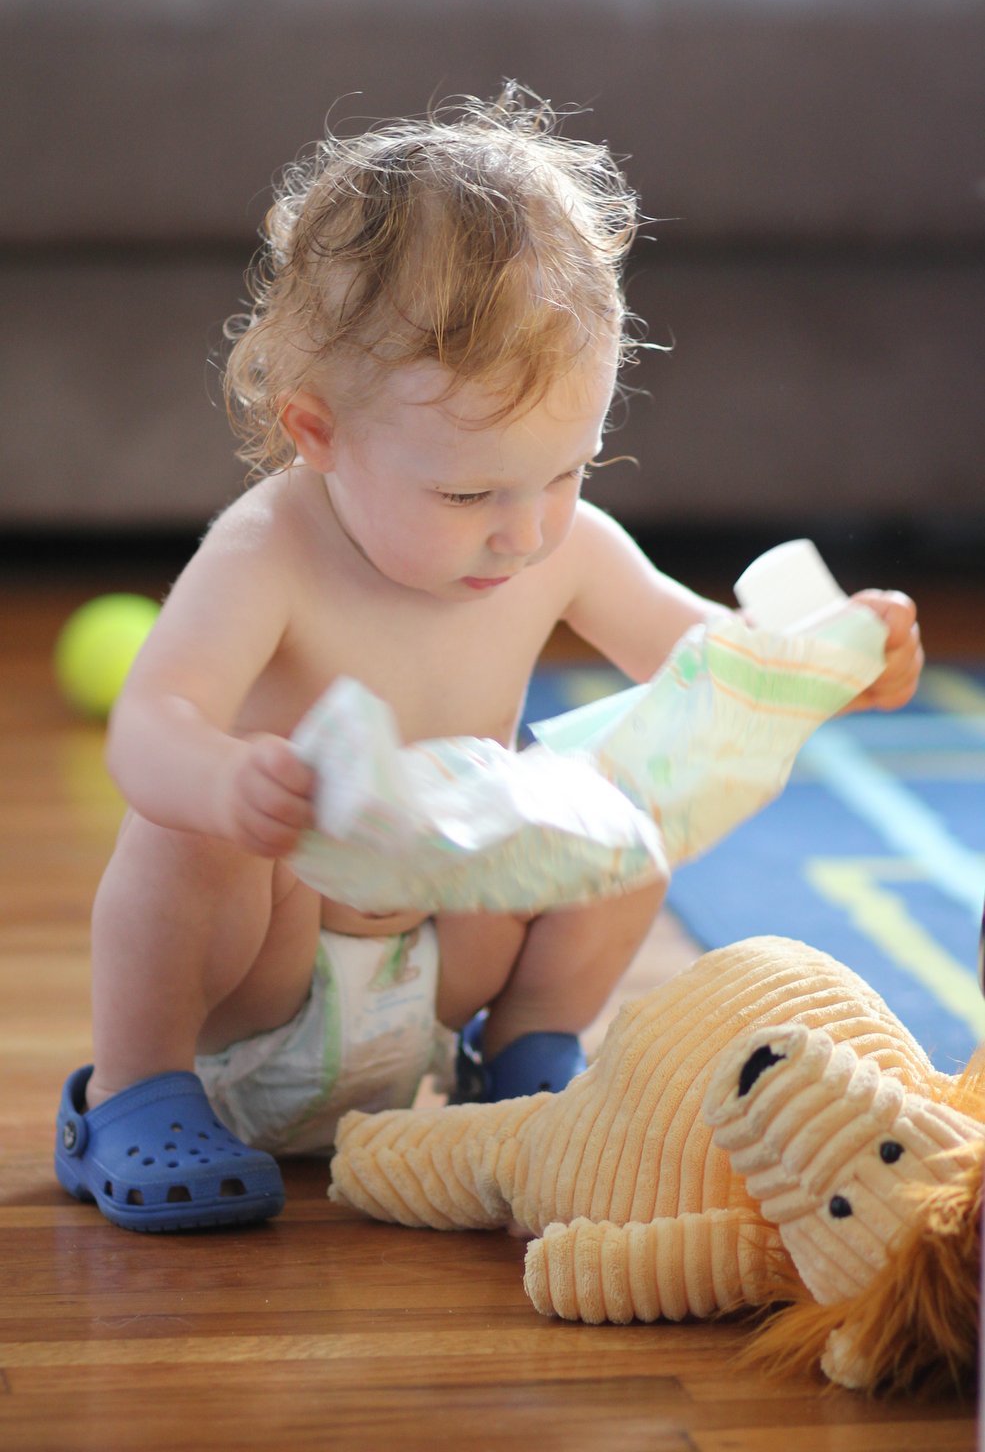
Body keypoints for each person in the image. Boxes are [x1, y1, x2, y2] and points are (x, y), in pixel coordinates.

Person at [54, 87, 924, 1231]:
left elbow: (710, 668)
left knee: (630, 811)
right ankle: (135, 1092)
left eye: (567, 472)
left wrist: (831, 663)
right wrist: (227, 783)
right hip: (271, 960)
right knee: (182, 828)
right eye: (469, 492)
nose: (524, 531)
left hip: (444, 957)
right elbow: (150, 725)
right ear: (321, 433)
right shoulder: (270, 550)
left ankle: (523, 1061)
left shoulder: (563, 548)